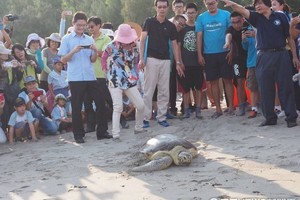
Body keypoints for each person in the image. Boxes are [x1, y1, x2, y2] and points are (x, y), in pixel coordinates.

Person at [222, 0, 299, 128]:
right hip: (263, 55)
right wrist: (233, 4)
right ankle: (269, 118)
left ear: (268, 4)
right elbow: (243, 10)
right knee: (265, 87)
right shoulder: (256, 17)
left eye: (260, 3)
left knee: (286, 86)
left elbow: (289, 37)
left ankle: (291, 118)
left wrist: (295, 56)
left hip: (281, 54)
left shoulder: (280, 16)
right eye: (256, 4)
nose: (257, 6)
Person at [58, 11, 111, 143]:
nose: (81, 27)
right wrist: (74, 51)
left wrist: (94, 51)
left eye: (83, 25)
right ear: (73, 24)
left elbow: (93, 60)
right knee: (76, 106)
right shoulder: (67, 39)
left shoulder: (89, 39)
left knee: (100, 102)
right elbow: (63, 60)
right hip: (75, 78)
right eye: (78, 25)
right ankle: (78, 134)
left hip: (90, 76)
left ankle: (102, 131)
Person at [139, 0, 184, 128]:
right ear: (156, 8)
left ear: (168, 8)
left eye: (164, 7)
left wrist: (178, 62)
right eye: (159, 7)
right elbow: (142, 41)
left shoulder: (170, 26)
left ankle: (162, 116)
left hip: (166, 60)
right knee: (149, 90)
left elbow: (174, 44)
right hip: (151, 59)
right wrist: (142, 58)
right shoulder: (149, 22)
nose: (162, 9)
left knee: (164, 90)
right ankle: (146, 117)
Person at [102, 23, 146, 140]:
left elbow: (137, 60)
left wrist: (136, 71)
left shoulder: (135, 45)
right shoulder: (111, 46)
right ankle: (115, 134)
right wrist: (105, 70)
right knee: (118, 106)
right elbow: (103, 57)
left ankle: (139, 127)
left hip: (130, 78)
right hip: (115, 79)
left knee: (140, 105)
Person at [196, 0, 234, 119]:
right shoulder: (201, 18)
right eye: (208, 4)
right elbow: (199, 36)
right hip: (209, 54)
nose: (210, 5)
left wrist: (232, 50)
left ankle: (231, 106)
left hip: (225, 52)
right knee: (213, 82)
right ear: (205, 3)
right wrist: (199, 55)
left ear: (217, 2)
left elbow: (231, 33)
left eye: (212, 3)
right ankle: (218, 108)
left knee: (228, 80)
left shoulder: (226, 14)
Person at [84, 16, 112, 133]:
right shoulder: (86, 39)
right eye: (88, 26)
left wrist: (95, 50)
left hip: (100, 74)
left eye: (92, 26)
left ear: (99, 25)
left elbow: (107, 54)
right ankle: (91, 124)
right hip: (87, 75)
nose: (90, 28)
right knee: (87, 101)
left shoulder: (105, 39)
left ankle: (121, 119)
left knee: (107, 99)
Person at [177, 2, 204, 119]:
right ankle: (187, 109)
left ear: (196, 13)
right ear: (185, 13)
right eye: (189, 13)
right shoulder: (182, 28)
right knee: (186, 88)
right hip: (186, 62)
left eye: (193, 13)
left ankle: (198, 109)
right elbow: (178, 46)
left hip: (198, 62)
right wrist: (180, 61)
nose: (191, 15)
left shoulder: (199, 26)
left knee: (198, 87)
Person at [223, 12, 248, 116]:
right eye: (233, 22)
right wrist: (228, 43)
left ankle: (257, 104)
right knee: (239, 81)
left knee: (255, 82)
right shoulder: (231, 29)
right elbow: (228, 35)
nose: (236, 25)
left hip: (250, 57)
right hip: (237, 59)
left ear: (242, 19)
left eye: (238, 22)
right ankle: (242, 106)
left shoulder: (248, 26)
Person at [241, 9, 260, 118]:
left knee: (267, 85)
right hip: (252, 62)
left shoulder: (261, 25)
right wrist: (243, 39)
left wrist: (255, 35)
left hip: (263, 60)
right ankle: (254, 108)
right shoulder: (246, 28)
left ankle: (274, 106)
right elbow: (245, 47)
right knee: (253, 87)